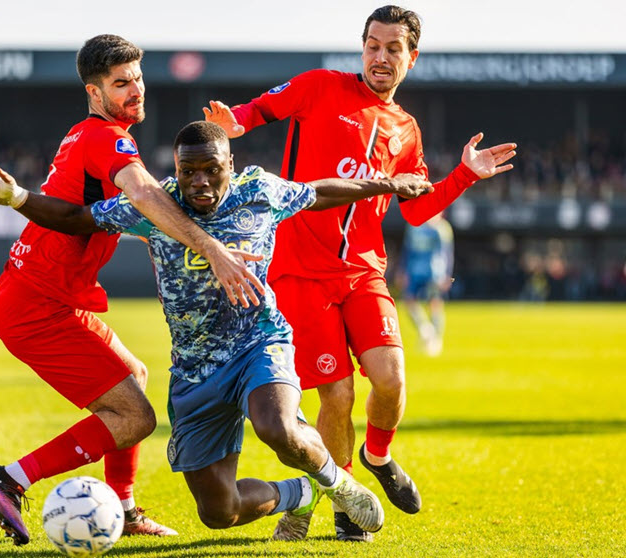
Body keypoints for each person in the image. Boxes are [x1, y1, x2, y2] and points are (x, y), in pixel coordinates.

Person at [0, 121, 434, 539]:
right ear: (177, 169)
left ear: (232, 162)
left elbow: (318, 192)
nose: (200, 182)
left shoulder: (260, 192)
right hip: (194, 370)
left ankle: (338, 485)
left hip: (258, 342)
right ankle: (301, 495)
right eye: (189, 172)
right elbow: (77, 219)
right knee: (219, 512)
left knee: (278, 427)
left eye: (211, 169)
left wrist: (386, 184)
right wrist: (17, 198)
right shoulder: (154, 205)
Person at [204, 4, 516, 542]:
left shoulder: (406, 130)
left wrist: (464, 174)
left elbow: (416, 209)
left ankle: (378, 455)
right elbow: (254, 112)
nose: (380, 56)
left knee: (392, 380)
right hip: (301, 272)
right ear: (362, 48)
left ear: (410, 58)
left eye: (393, 48)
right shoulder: (319, 86)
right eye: (373, 45)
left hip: (365, 273)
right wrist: (232, 123)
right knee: (338, 396)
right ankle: (346, 505)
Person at [0, 35, 269, 546]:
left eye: (138, 79)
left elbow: (99, 214)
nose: (136, 91)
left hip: (44, 296)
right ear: (94, 91)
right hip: (36, 306)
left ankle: (121, 508)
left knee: (134, 374)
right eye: (121, 83)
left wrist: (18, 197)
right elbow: (145, 195)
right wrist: (213, 248)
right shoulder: (106, 138)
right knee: (134, 416)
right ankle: (9, 479)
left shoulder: (91, 134)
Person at [396, 213, 454, 356]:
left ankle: (436, 339)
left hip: (434, 271)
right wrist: (402, 270)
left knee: (434, 302)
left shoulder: (442, 228)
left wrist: (447, 274)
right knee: (409, 300)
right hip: (415, 269)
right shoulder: (413, 226)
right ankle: (425, 328)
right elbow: (407, 250)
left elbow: (447, 253)